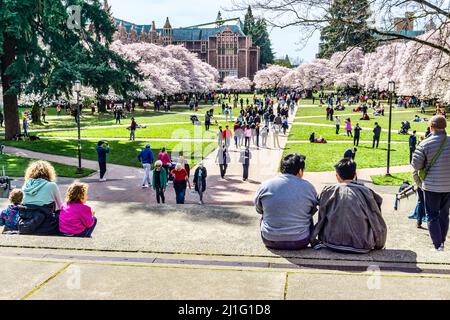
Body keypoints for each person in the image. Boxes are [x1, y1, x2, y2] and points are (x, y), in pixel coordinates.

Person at [310, 159, 387, 253]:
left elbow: (321, 217)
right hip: (361, 244)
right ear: (355, 175)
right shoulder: (366, 192)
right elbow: (376, 220)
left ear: (337, 176)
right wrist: (379, 244)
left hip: (331, 242)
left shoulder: (328, 191)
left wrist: (313, 239)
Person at [255, 154, 318, 250]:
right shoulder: (309, 187)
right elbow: (312, 211)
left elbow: (259, 209)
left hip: (270, 239)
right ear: (300, 171)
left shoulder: (265, 185)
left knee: (266, 213)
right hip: (300, 241)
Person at [412, 115, 450, 251]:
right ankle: (442, 241)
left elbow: (416, 165)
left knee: (432, 215)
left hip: (431, 185)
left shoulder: (425, 144)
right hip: (448, 185)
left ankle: (438, 244)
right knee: (444, 214)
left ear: (431, 127)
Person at [20, 161, 62, 235]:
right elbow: (60, 207)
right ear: (49, 173)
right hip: (46, 226)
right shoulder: (51, 185)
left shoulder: (26, 185)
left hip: (27, 225)